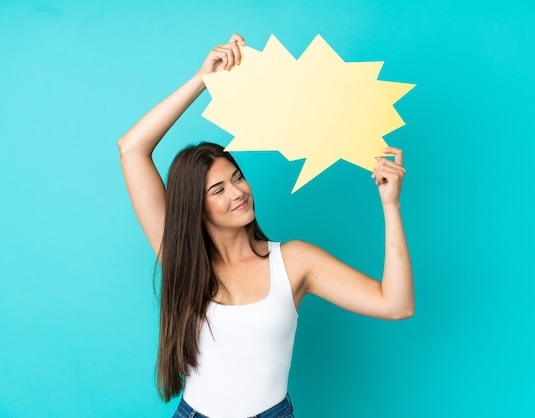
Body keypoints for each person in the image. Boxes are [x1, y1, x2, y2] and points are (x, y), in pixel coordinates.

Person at [118, 33, 413, 418]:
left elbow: (396, 305)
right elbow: (131, 148)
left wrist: (391, 205)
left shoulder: (294, 261)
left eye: (238, 177)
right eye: (218, 190)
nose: (238, 192)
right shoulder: (182, 260)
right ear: (195, 208)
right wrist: (202, 79)